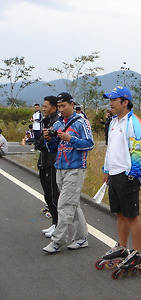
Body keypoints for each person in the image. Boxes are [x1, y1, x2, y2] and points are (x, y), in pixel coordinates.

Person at [42, 92, 94, 254]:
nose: (61, 109)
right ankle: (81, 237)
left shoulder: (81, 122)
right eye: (59, 106)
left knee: (64, 204)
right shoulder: (57, 124)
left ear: (72, 104)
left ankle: (58, 240)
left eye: (64, 106)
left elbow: (89, 144)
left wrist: (70, 138)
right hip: (60, 166)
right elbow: (53, 149)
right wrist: (49, 139)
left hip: (76, 167)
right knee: (72, 203)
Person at [101, 86, 141, 265]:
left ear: (125, 102)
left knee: (132, 215)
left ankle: (136, 254)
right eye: (110, 99)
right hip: (114, 173)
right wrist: (106, 170)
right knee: (120, 213)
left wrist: (133, 175)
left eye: (114, 100)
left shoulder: (133, 123)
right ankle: (122, 246)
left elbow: (137, 150)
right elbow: (110, 148)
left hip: (127, 175)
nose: (110, 103)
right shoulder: (113, 122)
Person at [35, 96, 60, 237]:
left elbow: (54, 144)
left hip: (52, 162)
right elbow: (38, 143)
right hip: (44, 161)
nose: (43, 109)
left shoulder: (56, 123)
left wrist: (46, 141)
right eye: (43, 106)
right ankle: (54, 223)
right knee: (47, 195)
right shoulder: (46, 121)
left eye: (45, 106)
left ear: (54, 108)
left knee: (53, 195)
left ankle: (58, 224)